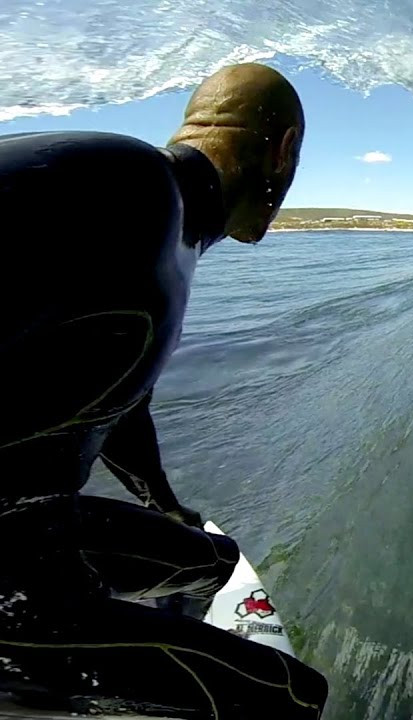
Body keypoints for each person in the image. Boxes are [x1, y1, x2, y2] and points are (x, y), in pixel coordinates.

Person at [0, 63, 327, 718]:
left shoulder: (154, 221)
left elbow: (114, 402)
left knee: (212, 562)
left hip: (31, 526)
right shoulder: (130, 188)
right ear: (284, 149)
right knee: (287, 698)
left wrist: (163, 503)